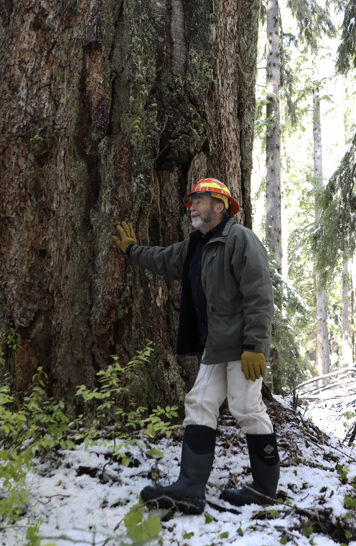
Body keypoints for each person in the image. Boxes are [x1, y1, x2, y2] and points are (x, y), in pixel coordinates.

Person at [112, 178, 279, 515]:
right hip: (215, 347)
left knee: (247, 409)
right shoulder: (194, 246)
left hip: (242, 347)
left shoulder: (240, 239)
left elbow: (259, 295)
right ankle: (190, 489)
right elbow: (161, 259)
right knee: (200, 402)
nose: (193, 207)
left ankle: (264, 490)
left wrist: (255, 345)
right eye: (192, 202)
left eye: (200, 201)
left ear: (220, 205)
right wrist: (132, 250)